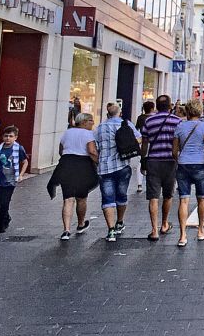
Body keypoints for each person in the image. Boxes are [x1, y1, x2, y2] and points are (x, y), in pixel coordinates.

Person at [140, 95, 181, 241]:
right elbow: (180, 142)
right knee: (168, 195)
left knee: (153, 196)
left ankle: (154, 230)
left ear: (156, 106)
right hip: (171, 161)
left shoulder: (149, 121)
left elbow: (144, 142)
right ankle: (164, 223)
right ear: (170, 106)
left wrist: (143, 159)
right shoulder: (177, 121)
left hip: (153, 161)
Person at [52, 112, 99, 240]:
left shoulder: (68, 132)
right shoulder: (88, 134)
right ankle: (80, 224)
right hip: (82, 166)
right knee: (81, 198)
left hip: (66, 164)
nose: (92, 123)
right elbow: (91, 151)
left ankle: (66, 230)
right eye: (90, 120)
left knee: (68, 199)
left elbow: (61, 150)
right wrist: (98, 162)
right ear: (83, 122)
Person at [174, 100, 204, 246]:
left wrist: (179, 160)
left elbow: (174, 151)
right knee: (201, 199)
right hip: (200, 164)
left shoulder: (179, 127)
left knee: (183, 200)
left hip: (183, 164)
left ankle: (183, 236)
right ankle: (201, 230)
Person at [94, 103, 133, 242]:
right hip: (122, 165)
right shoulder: (125, 124)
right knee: (121, 195)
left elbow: (94, 147)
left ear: (107, 114)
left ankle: (110, 230)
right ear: (120, 113)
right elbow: (138, 139)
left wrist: (97, 161)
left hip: (104, 167)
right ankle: (120, 222)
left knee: (107, 198)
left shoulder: (99, 127)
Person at [0, 126, 29, 233]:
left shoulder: (18, 149)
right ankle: (6, 216)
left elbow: (25, 161)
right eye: (6, 136)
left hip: (10, 180)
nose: (8, 138)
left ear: (15, 137)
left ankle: (0, 224)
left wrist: (21, 175)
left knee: (5, 201)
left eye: (10, 136)